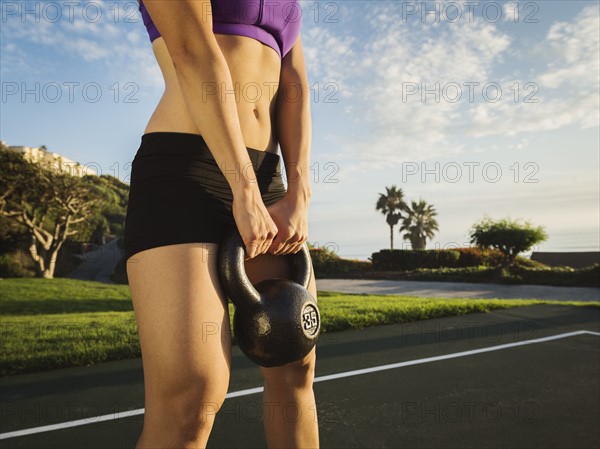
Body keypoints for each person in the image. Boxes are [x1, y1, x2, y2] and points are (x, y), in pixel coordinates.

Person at [122, 0, 318, 448]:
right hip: (185, 169)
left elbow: (294, 85)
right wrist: (242, 188)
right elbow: (193, 49)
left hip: (268, 182)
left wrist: (299, 192)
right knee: (192, 395)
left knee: (295, 366)